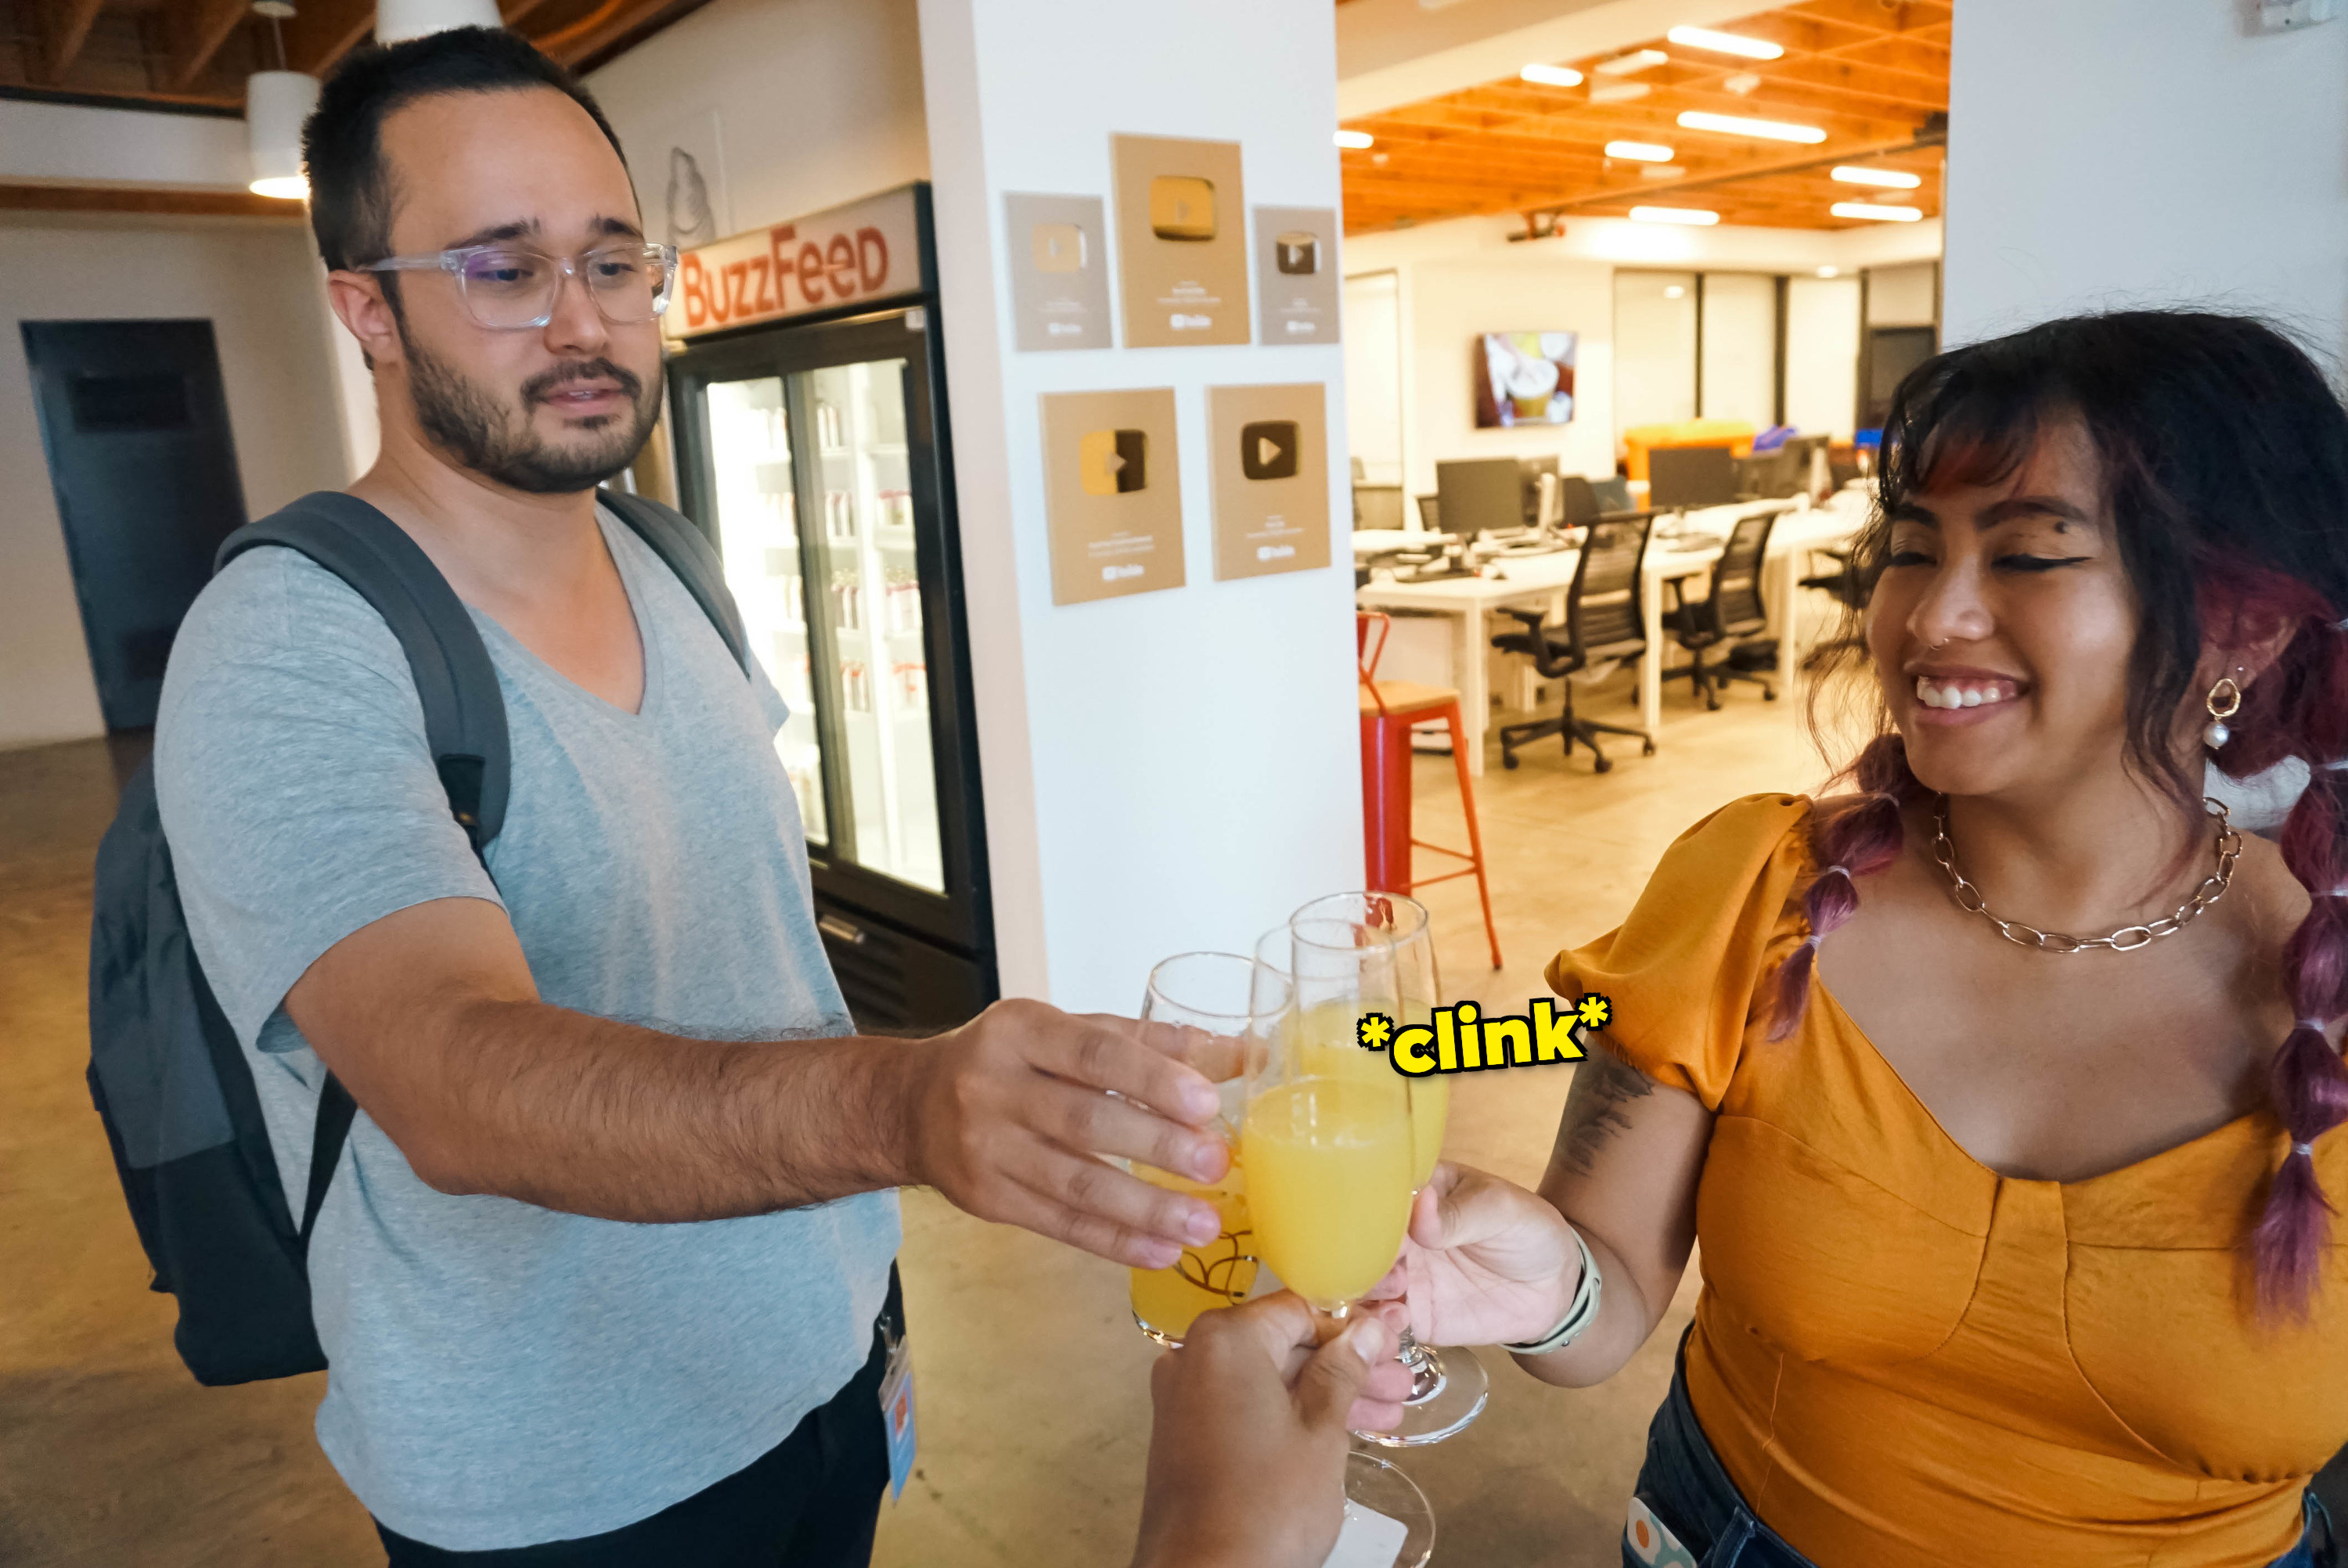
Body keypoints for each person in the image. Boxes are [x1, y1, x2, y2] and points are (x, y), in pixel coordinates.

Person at [153, 27, 1237, 1563]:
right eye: (503, 270)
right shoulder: (289, 642)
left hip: (827, 1368)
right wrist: (912, 1105)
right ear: (366, 309)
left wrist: (870, 1318)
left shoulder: (677, 560)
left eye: (613, 261)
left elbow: (756, 956)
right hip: (561, 1478)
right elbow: (451, 1084)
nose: (584, 321)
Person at [1381, 311, 2348, 1566]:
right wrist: (1543, 1285)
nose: (1931, 617)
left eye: (2029, 557)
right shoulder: (1758, 888)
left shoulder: (2316, 992)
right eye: (1910, 548)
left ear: (2245, 626)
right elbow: (1603, 1300)